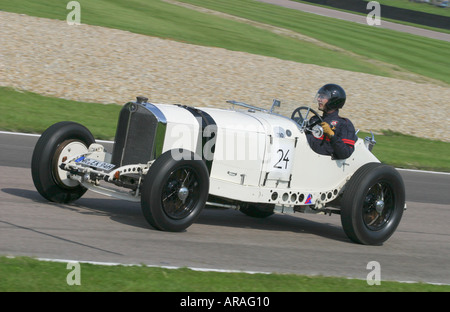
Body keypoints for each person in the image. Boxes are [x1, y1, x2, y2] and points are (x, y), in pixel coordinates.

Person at [306, 84, 357, 159]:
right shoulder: (315, 119)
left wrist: (332, 135)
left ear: (333, 101)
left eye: (322, 97)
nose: (318, 99)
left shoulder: (344, 124)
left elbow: (345, 153)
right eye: (319, 96)